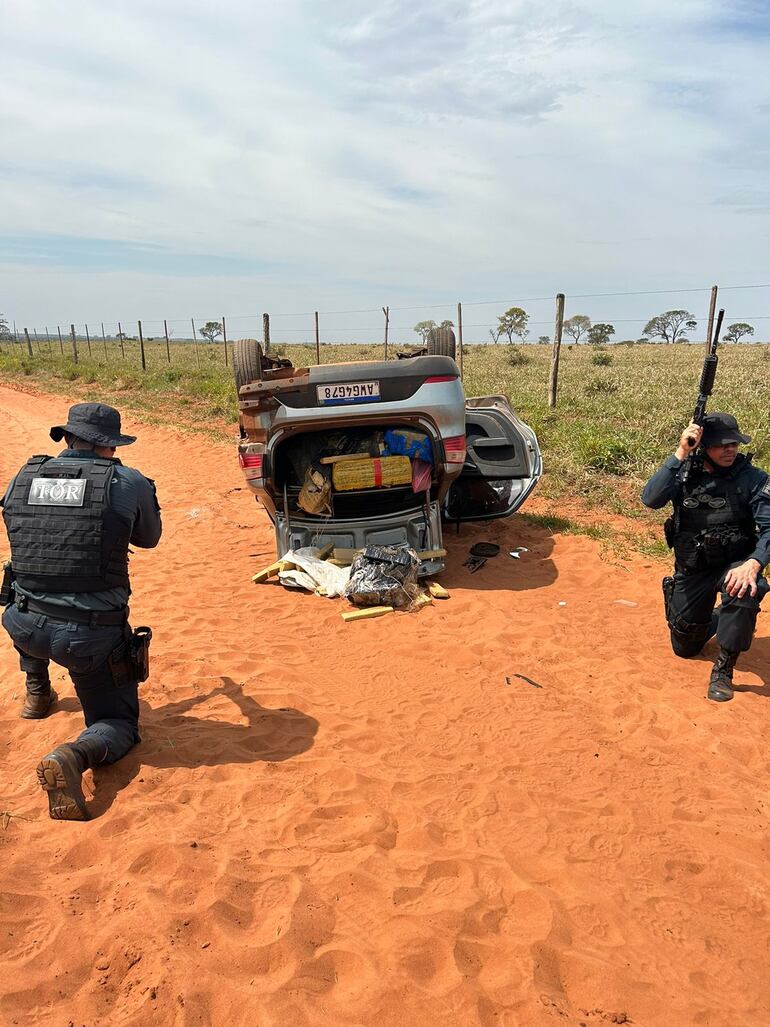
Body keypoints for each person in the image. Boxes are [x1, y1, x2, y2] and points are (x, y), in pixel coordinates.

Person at [1, 403, 162, 820]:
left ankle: (38, 693)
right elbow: (149, 539)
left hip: (22, 623)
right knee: (119, 724)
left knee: (33, 593)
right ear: (110, 445)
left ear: (68, 437)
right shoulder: (126, 480)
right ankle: (73, 756)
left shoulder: (24, 474)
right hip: (88, 639)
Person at [642, 411, 770, 702]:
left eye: (734, 444)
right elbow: (650, 499)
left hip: (734, 565)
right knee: (685, 647)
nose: (730, 449)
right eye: (722, 444)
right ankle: (718, 618)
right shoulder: (685, 472)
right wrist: (680, 451)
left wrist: (754, 563)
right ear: (702, 445)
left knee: (747, 588)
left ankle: (724, 669)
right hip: (695, 568)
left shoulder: (752, 478)